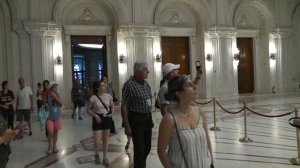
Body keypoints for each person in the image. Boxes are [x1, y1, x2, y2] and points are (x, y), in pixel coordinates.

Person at [157, 75, 213, 168]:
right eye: (189, 85)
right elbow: (161, 151)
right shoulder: (169, 119)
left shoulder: (200, 113)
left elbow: (207, 141)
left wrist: (211, 162)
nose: (195, 87)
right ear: (178, 93)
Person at [121, 61, 153, 168]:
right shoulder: (129, 85)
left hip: (147, 119)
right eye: (145, 69)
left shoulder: (146, 84)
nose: (148, 71)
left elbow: (149, 100)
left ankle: (141, 165)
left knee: (147, 147)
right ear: (138, 71)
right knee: (139, 149)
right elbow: (124, 106)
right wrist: (127, 126)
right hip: (136, 120)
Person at [87, 81, 114, 166]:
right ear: (98, 88)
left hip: (106, 118)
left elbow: (112, 106)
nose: (105, 86)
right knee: (97, 140)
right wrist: (95, 115)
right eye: (102, 85)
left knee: (105, 139)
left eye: (105, 85)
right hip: (97, 118)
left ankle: (105, 157)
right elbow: (88, 109)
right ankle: (96, 154)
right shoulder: (93, 97)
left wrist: (112, 113)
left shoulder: (108, 96)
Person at [46, 82, 63, 154]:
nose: (56, 88)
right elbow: (43, 103)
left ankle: (54, 146)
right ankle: (49, 147)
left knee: (56, 131)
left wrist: (56, 96)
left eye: (56, 87)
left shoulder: (57, 95)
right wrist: (45, 105)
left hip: (57, 116)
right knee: (50, 132)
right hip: (49, 117)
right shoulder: (48, 95)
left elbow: (61, 103)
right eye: (54, 87)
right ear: (51, 88)